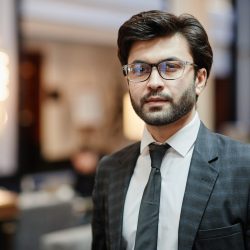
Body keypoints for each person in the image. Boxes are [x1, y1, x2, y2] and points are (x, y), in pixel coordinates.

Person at [91, 10, 250, 250]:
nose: (154, 82)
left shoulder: (243, 168)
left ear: (199, 79)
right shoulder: (109, 170)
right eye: (140, 69)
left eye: (171, 67)